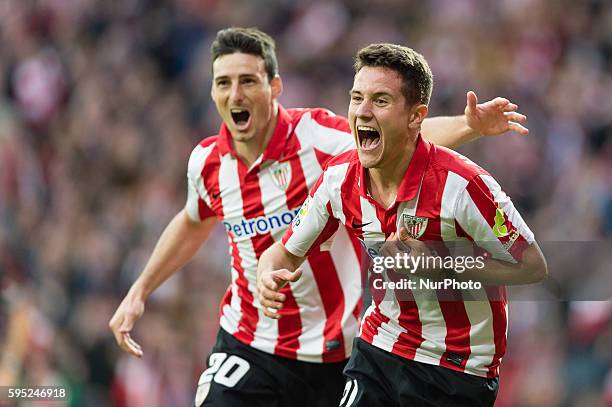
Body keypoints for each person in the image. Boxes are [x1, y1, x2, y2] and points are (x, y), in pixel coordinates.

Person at [109, 27, 530, 407]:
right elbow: (192, 220)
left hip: (337, 348)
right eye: (224, 83)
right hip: (250, 340)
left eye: (248, 81)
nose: (235, 94)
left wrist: (468, 126)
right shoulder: (206, 162)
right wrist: (140, 290)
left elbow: (395, 135)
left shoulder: (317, 140)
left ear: (274, 87)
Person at [257, 43, 547, 407]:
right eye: (356, 97)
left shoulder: (463, 185)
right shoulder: (338, 180)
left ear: (416, 117)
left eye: (380, 100)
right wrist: (269, 275)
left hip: (457, 367)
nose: (362, 111)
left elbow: (533, 265)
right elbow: (284, 254)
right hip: (380, 347)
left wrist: (440, 266)